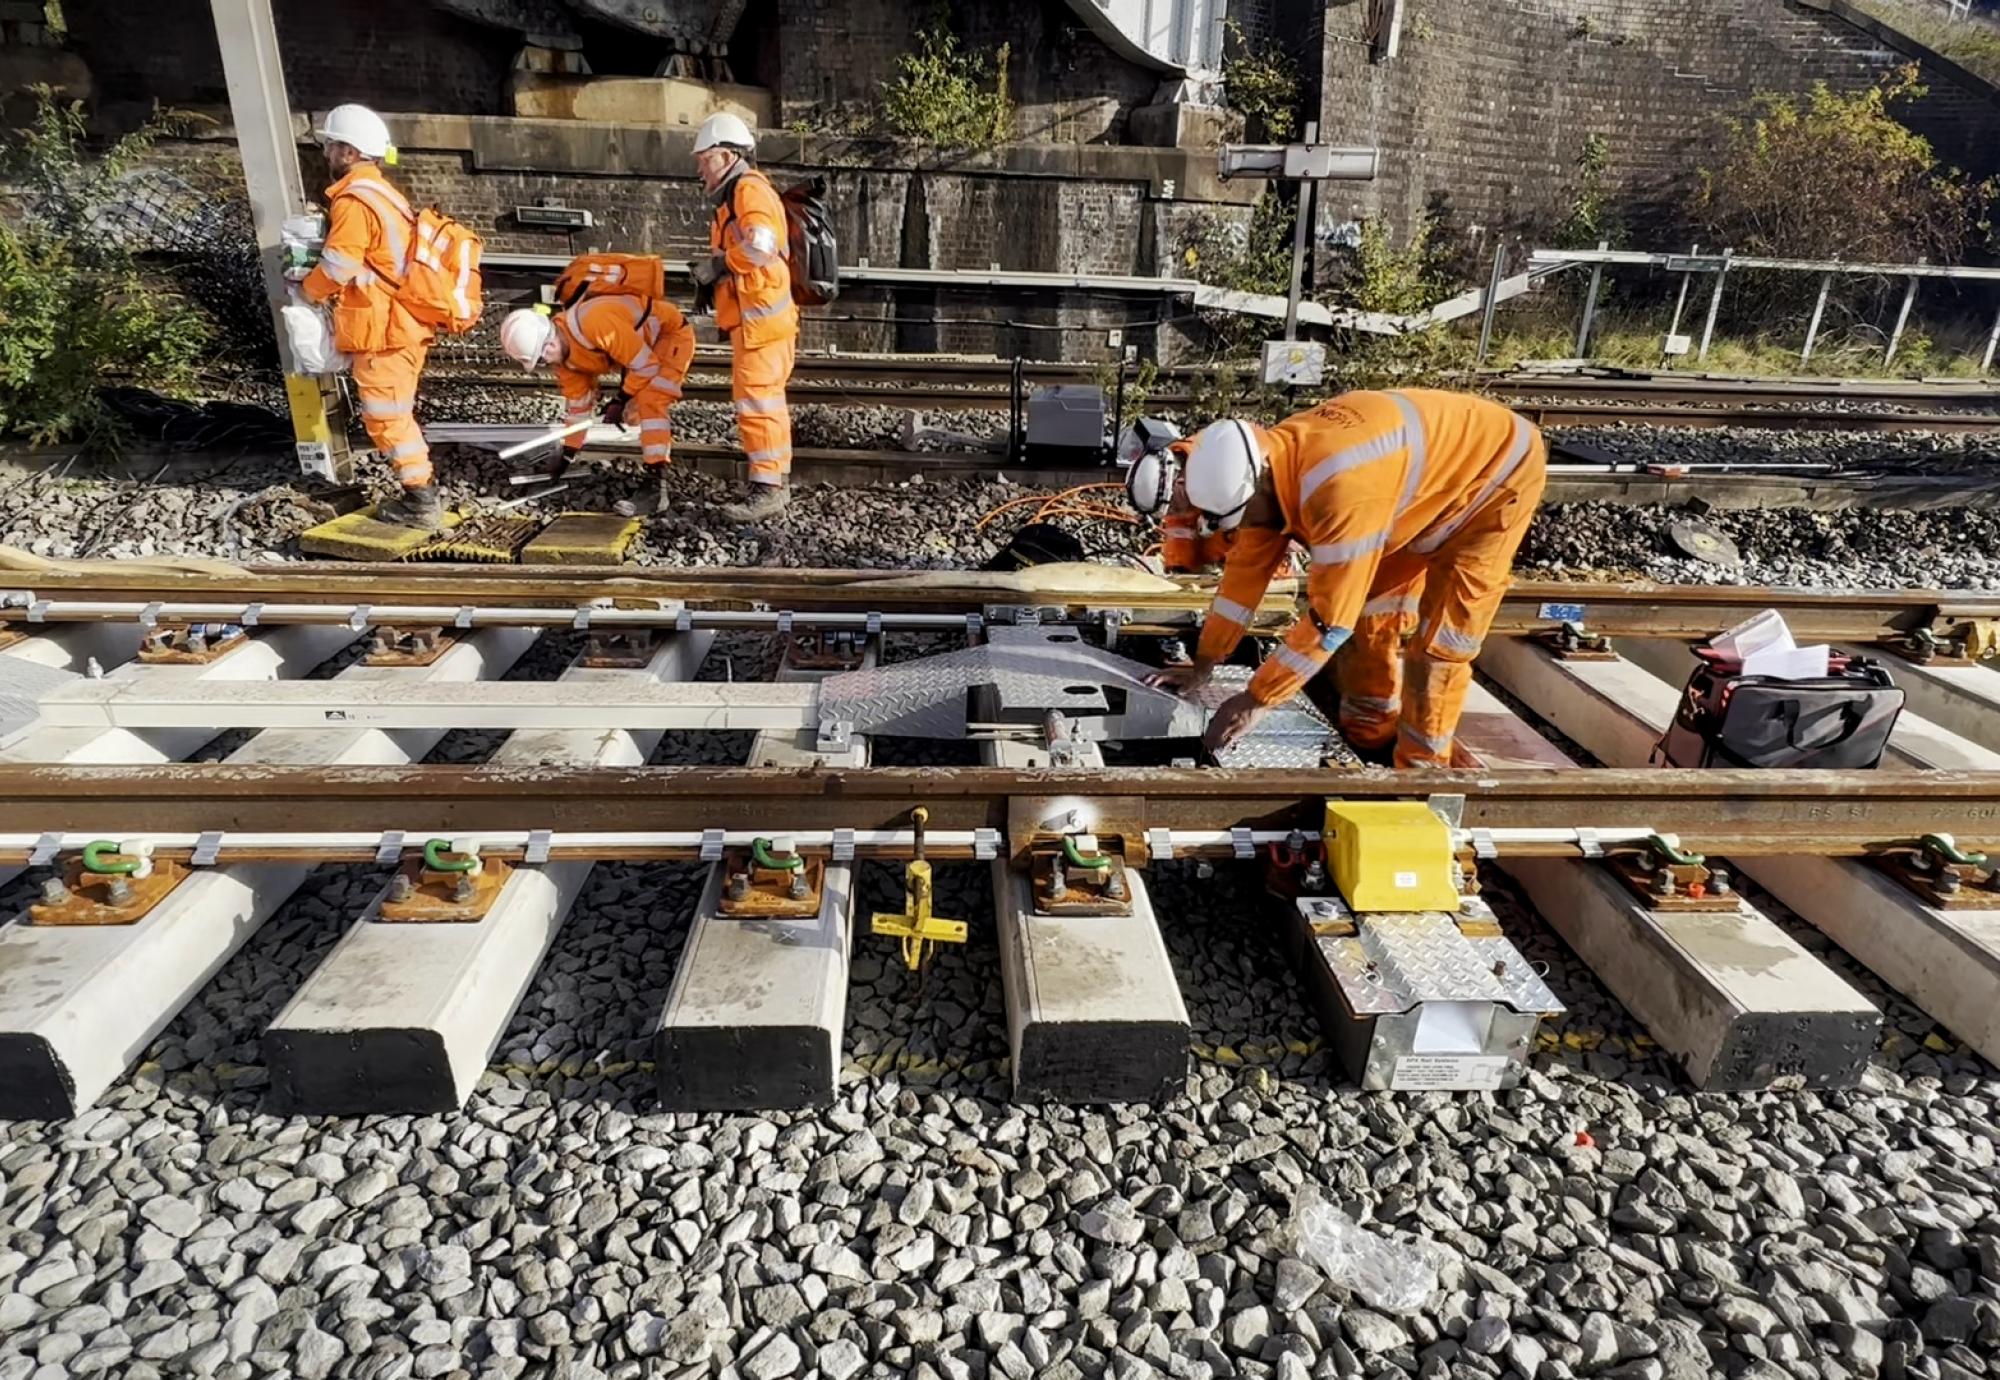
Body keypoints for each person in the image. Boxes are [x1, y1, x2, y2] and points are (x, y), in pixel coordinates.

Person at [1149, 389, 1547, 768]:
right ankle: (1371, 736)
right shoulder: (1270, 473)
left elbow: (1329, 622)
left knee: (1440, 648)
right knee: (1374, 616)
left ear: (1257, 490)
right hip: (1419, 489)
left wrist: (1257, 699)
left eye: (1240, 520)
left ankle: (1422, 774)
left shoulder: (1337, 492)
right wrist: (1204, 663)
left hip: (1495, 479)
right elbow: (1241, 584)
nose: (1243, 530)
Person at [296, 104, 441, 530]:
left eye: (333, 146)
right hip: (398, 324)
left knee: (387, 416)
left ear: (350, 151)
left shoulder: (356, 200)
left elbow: (340, 265)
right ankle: (421, 495)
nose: (327, 154)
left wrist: (306, 291)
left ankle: (422, 502)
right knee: (394, 413)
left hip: (383, 330)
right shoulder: (385, 195)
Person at [498, 280, 695, 517]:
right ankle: (655, 464)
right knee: (633, 417)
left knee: (651, 401)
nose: (545, 365)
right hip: (641, 348)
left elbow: (646, 366)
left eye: (540, 360)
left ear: (548, 344)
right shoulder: (565, 361)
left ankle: (656, 489)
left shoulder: (594, 322)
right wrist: (568, 453)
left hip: (669, 336)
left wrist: (621, 398)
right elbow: (578, 409)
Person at [690, 113, 799, 522]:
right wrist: (715, 273)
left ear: (725, 156)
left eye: (704, 159)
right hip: (757, 323)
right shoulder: (734, 198)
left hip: (762, 325)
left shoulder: (748, 191)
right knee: (764, 403)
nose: (700, 167)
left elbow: (762, 247)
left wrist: (721, 266)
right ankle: (774, 482)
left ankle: (768, 489)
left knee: (758, 403)